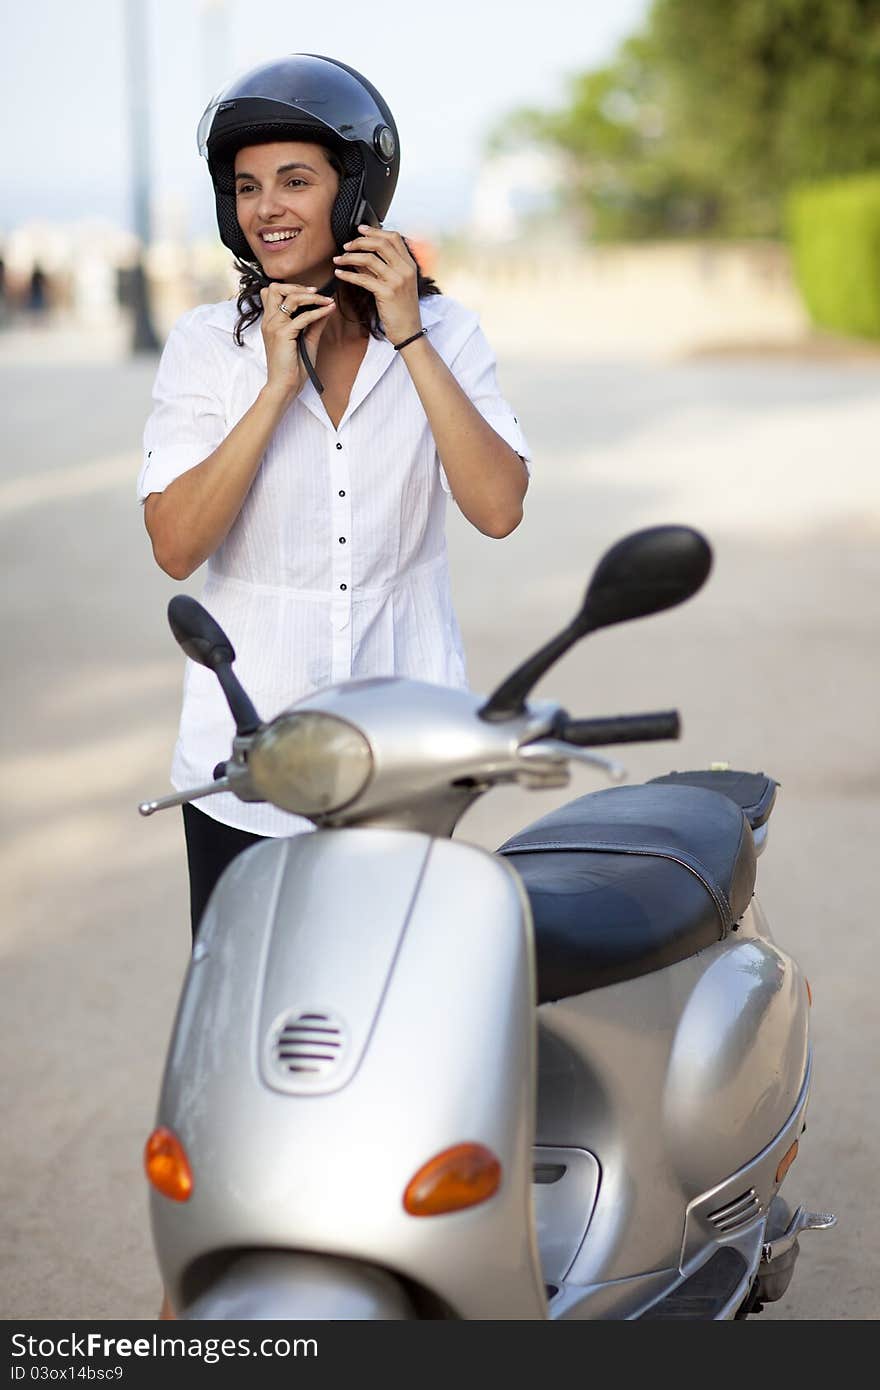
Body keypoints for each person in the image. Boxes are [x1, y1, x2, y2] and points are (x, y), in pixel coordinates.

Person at [138, 53, 531, 946]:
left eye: (295, 180)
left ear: (355, 190)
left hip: (408, 763)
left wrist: (412, 340)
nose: (266, 206)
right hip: (249, 765)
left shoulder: (448, 332)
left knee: (403, 1013)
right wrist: (275, 387)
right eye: (246, 187)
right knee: (252, 1028)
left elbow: (498, 508)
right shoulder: (206, 348)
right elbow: (175, 544)